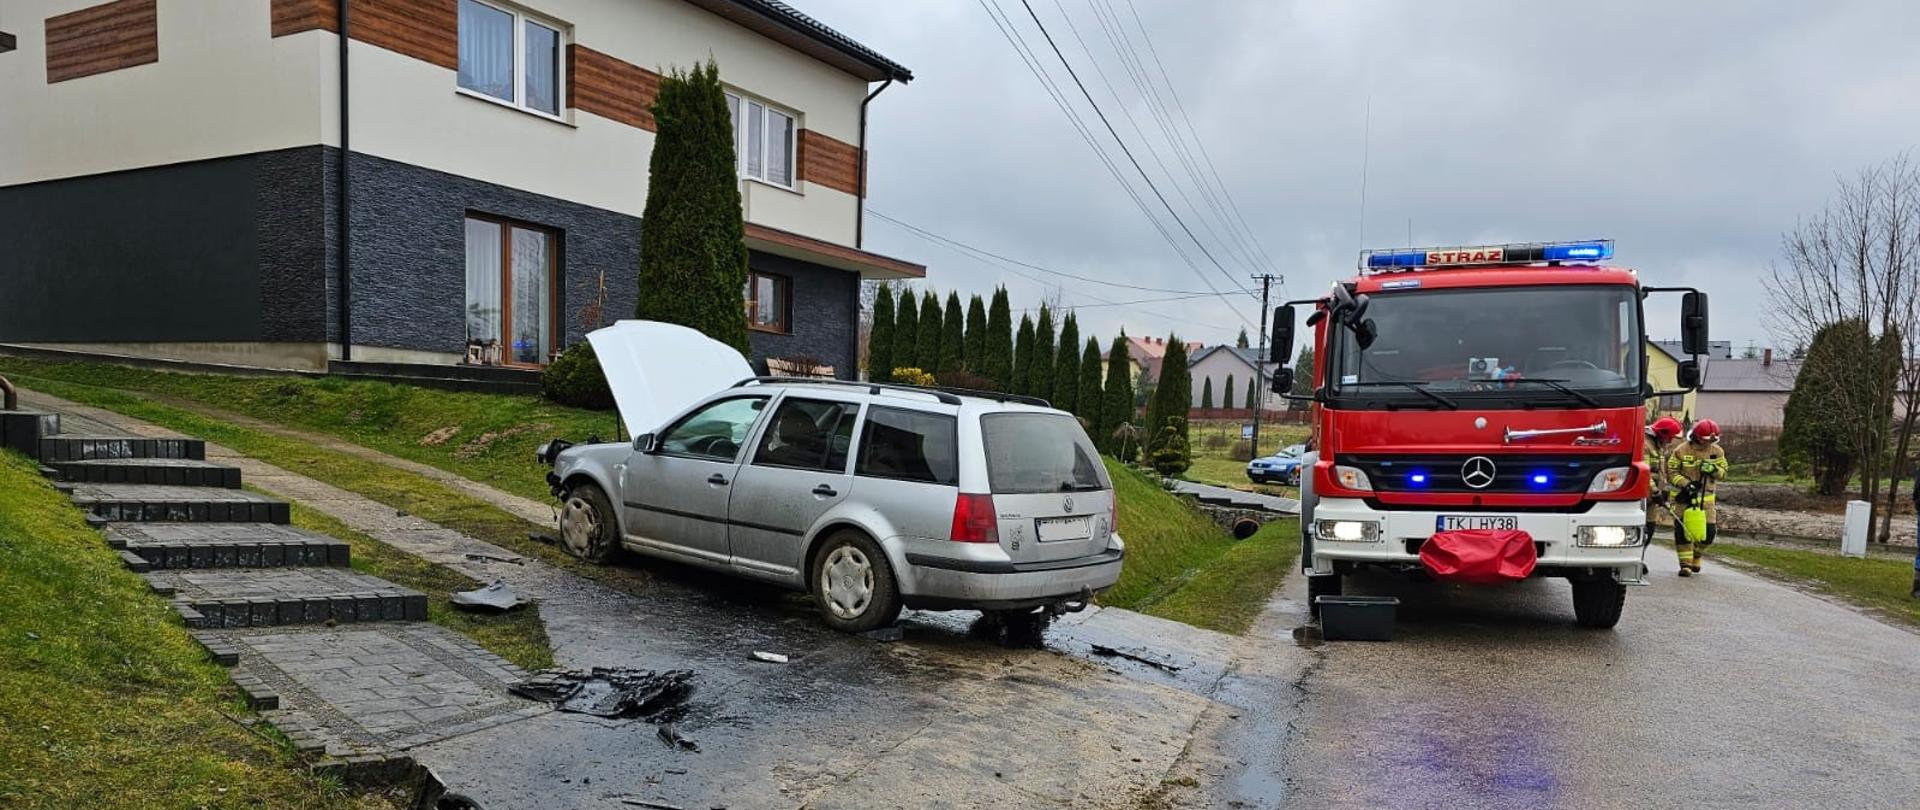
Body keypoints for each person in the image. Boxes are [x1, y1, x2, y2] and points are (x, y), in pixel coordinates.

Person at [1666, 419, 1726, 576]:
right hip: (1683, 499)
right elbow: (1671, 472)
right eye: (1707, 439)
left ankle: (1697, 555)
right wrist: (1686, 484)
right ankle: (1685, 565)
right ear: (1697, 436)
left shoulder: (1717, 451)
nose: (1709, 443)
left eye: (1713, 440)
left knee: (1709, 533)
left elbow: (1723, 473)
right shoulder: (1681, 450)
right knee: (1683, 531)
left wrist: (1713, 469)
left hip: (1706, 501)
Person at [1644, 416, 1685, 553]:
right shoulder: (1645, 445)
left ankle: (1640, 558)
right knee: (1640, 530)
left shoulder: (1658, 445)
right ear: (1663, 434)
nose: (1671, 441)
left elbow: (1660, 472)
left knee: (1649, 529)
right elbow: (1645, 472)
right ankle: (1635, 560)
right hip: (1642, 497)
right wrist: (1655, 492)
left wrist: (1664, 489)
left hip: (1652, 498)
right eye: (1671, 437)